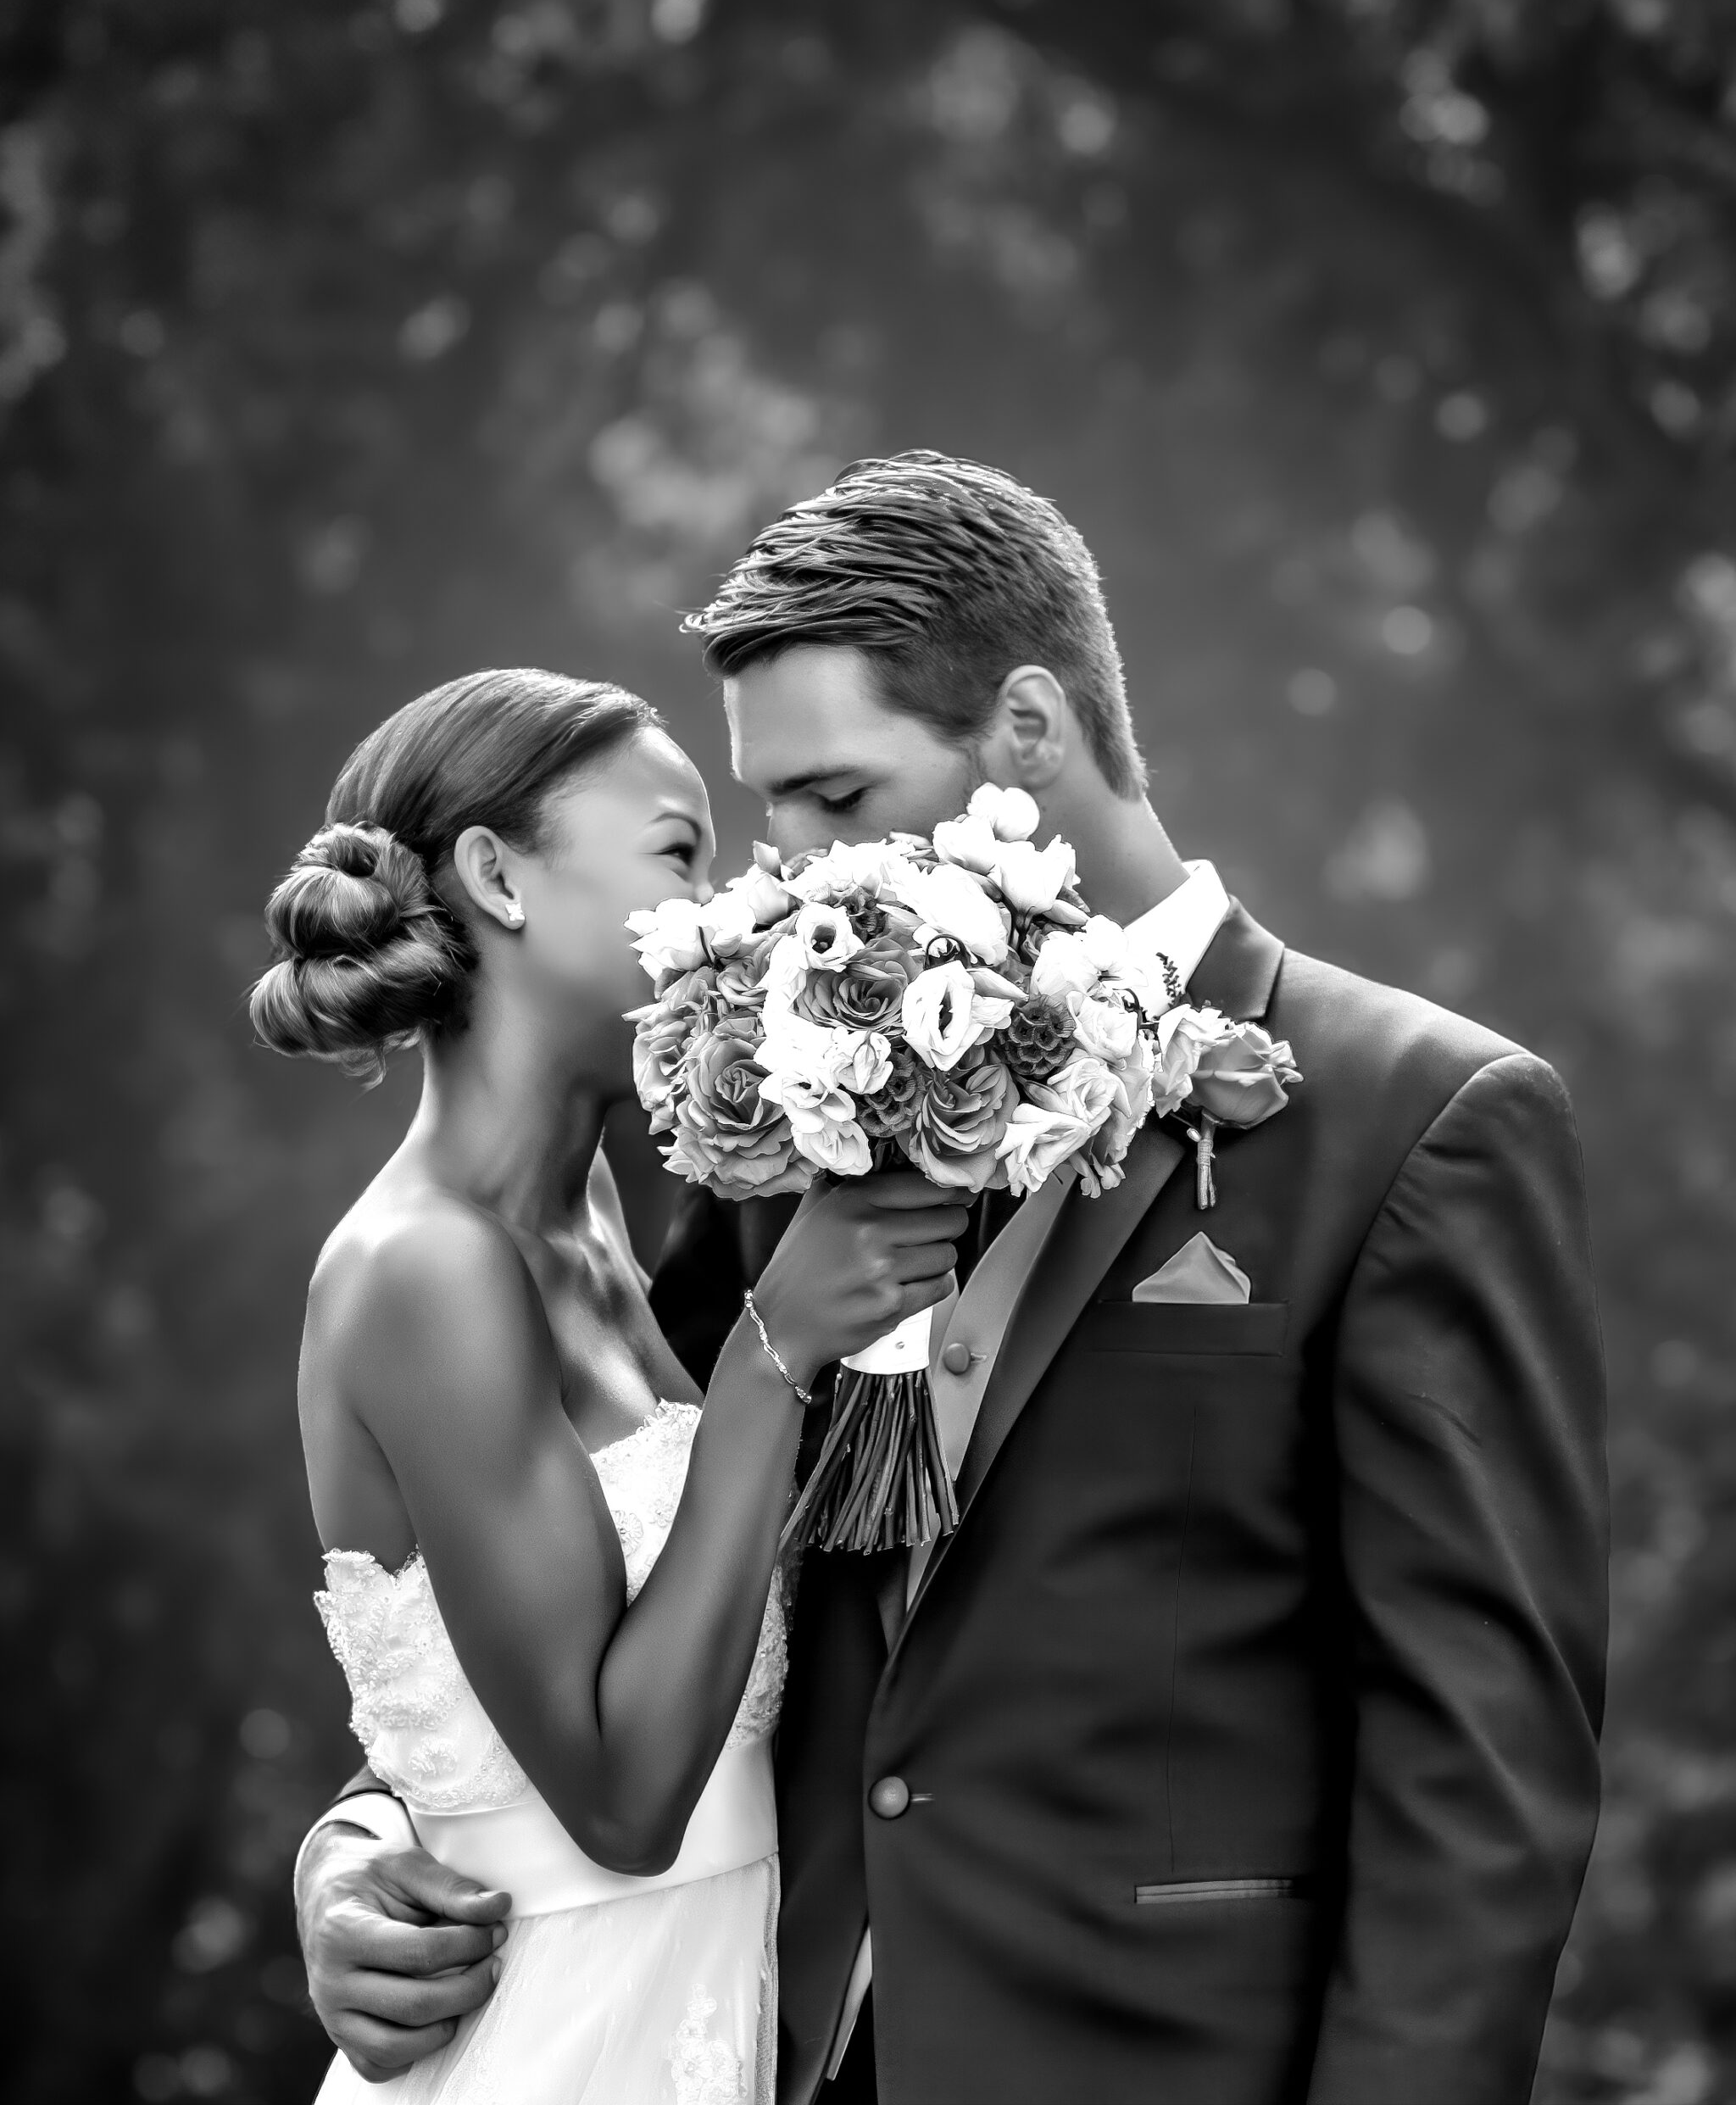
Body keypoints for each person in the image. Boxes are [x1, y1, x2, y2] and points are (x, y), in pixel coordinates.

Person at [296, 455, 1608, 2105]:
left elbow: (1479, 1781)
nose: (780, 879)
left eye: (832, 802)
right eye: (758, 815)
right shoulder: (777, 1109)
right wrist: (365, 1842)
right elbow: (586, 1567)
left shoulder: (1418, 1121)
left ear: (1031, 734)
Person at [255, 667, 967, 2103]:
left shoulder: (610, 1204)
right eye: (681, 850)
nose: (748, 893)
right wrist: (775, 1353)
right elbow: (620, 1795)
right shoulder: (423, 1272)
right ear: (499, 880)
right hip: (560, 2039)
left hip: (727, 2005)